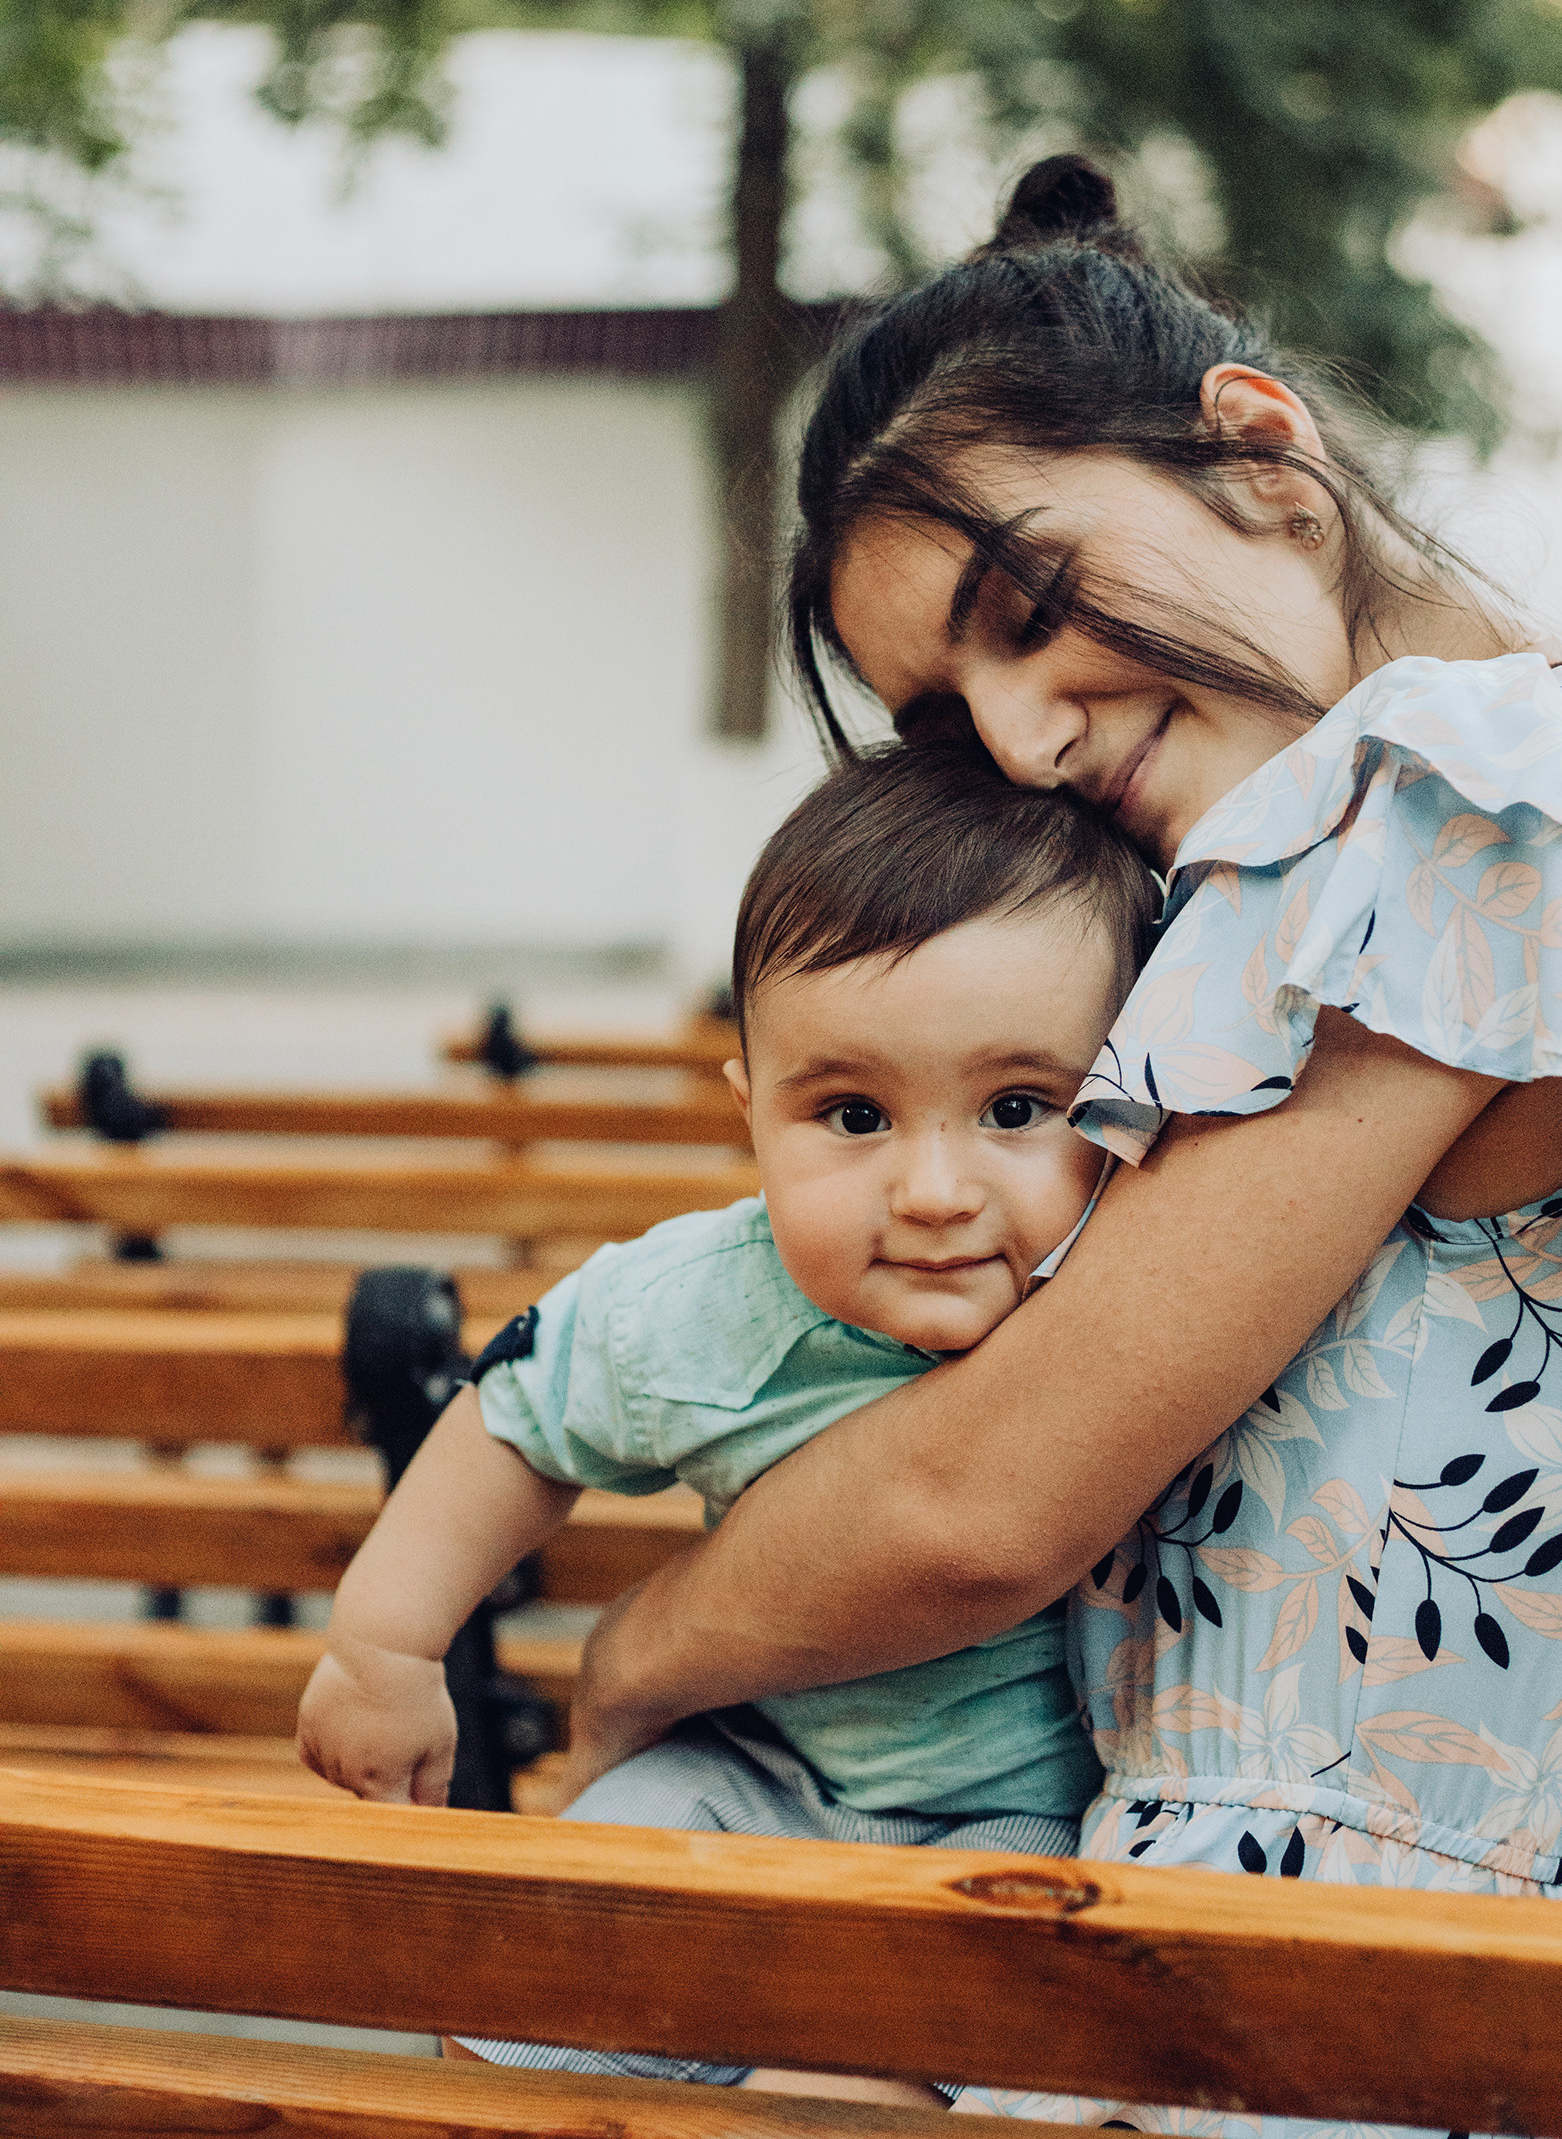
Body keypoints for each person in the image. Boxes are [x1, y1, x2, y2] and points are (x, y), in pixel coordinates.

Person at [529, 154, 1562, 2139]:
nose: (1018, 740)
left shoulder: (1445, 805)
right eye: (945, 710)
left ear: (1259, 451)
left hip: (1281, 2115)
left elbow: (982, 1502)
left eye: (1031, 604)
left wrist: (626, 1661)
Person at [298, 736, 1156, 1937]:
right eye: (853, 1115)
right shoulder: (704, 1303)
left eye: (1017, 1110)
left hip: (1031, 1816)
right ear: (749, 1109)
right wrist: (386, 1642)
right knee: (534, 1980)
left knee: (931, 2047)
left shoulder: (1146, 1292)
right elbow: (518, 1417)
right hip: (746, 1769)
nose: (932, 1189)